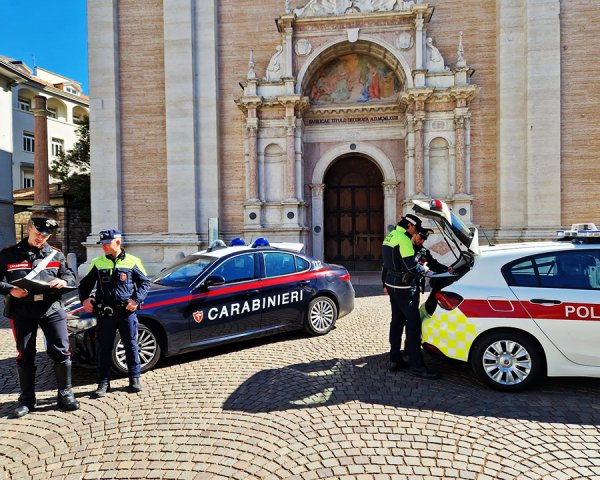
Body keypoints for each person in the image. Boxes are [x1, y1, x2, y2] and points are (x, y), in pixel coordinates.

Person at [0, 217, 80, 418]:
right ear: (29, 229)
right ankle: (27, 400)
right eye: (38, 234)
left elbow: (70, 276)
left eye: (45, 236)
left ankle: (65, 394)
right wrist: (10, 289)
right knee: (26, 353)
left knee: (61, 350)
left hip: (51, 308)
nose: (41, 239)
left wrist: (63, 282)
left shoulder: (56, 254)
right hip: (23, 310)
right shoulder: (9, 254)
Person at [79, 230, 151, 398]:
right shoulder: (98, 262)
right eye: (102, 244)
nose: (103, 247)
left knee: (130, 345)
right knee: (104, 347)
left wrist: (136, 300)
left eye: (107, 243)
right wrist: (85, 299)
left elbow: (145, 283)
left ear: (117, 242)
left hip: (126, 312)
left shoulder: (133, 261)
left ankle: (134, 378)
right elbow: (85, 284)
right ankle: (103, 382)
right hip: (105, 313)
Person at [381, 214, 440, 379]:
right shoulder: (404, 239)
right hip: (405, 288)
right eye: (416, 228)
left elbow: (386, 264)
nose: (416, 231)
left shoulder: (391, 235)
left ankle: (395, 360)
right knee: (414, 327)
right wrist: (426, 271)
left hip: (392, 285)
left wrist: (384, 284)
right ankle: (417, 366)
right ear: (409, 225)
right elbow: (412, 267)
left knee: (397, 322)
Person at [412, 226, 455, 318]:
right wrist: (385, 285)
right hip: (403, 285)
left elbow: (433, 264)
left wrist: (446, 269)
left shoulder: (423, 250)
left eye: (424, 240)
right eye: (420, 238)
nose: (421, 241)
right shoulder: (406, 247)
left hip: (415, 285)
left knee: (413, 312)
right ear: (414, 235)